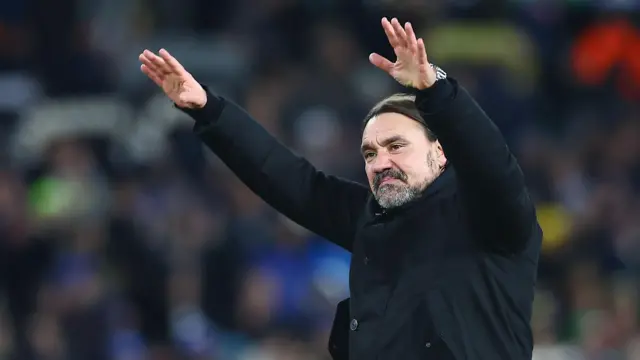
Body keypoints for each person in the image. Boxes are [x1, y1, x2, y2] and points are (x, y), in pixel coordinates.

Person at [139, 17, 542, 360]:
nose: (380, 162)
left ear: (441, 152)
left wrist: (437, 91)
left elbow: (491, 164)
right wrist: (209, 109)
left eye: (396, 146)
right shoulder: (372, 220)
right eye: (369, 154)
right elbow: (290, 180)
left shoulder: (490, 217)